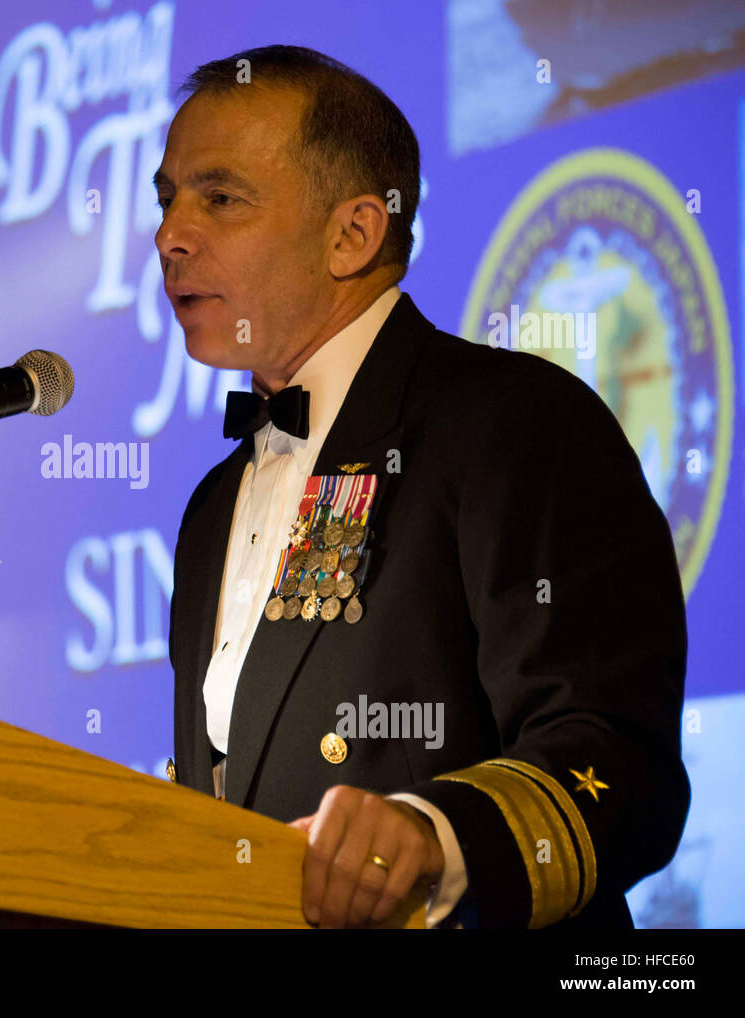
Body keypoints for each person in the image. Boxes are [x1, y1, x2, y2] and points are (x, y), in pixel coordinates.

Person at [158, 45, 689, 929]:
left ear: (354, 234)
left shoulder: (514, 421)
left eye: (219, 197)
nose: (170, 232)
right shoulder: (214, 505)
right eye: (165, 196)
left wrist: (430, 833)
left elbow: (617, 761)